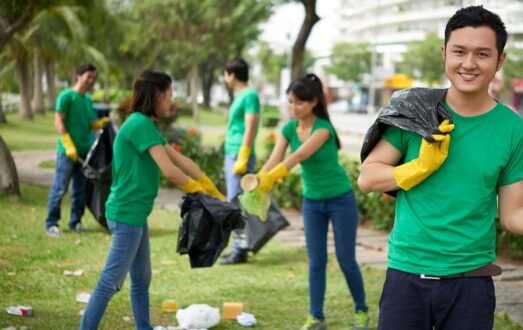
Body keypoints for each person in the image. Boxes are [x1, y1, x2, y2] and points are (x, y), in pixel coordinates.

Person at [357, 6, 523, 329]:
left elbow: (512, 213)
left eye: (482, 54)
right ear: (444, 52)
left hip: (471, 284)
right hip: (406, 277)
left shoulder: (513, 129)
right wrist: (418, 167)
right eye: (459, 51)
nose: (469, 63)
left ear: (499, 60)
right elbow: (367, 176)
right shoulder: (417, 112)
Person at [79, 70, 224, 329]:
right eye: (169, 95)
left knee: (141, 279)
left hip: (134, 214)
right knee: (111, 281)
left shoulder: (145, 125)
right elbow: (169, 169)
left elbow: (181, 161)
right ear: (156, 95)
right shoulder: (139, 124)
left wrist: (210, 188)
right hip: (127, 214)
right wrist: (197, 191)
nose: (171, 101)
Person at [256, 74, 369, 330]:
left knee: (345, 258)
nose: (293, 107)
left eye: (298, 102)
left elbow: (300, 154)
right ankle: (316, 316)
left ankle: (361, 310)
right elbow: (275, 158)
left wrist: (273, 176)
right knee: (316, 261)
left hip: (340, 199)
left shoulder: (323, 129)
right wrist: (258, 178)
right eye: (290, 102)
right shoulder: (288, 128)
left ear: (313, 102)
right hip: (312, 203)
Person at [45, 64, 108, 236]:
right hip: (67, 152)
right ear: (78, 76)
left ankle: (75, 222)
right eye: (89, 77)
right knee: (60, 188)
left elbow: (88, 123)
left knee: (80, 190)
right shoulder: (66, 96)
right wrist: (67, 143)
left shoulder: (87, 100)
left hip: (84, 153)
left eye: (94, 78)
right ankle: (51, 223)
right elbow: (59, 121)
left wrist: (99, 124)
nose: (92, 81)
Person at [221, 58, 260, 265]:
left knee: (236, 202)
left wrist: (244, 155)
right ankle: (238, 245)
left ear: (232, 74)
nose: (224, 78)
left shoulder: (250, 95)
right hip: (233, 152)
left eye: (225, 74)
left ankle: (241, 248)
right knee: (234, 201)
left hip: (239, 154)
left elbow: (250, 126)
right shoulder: (241, 95)